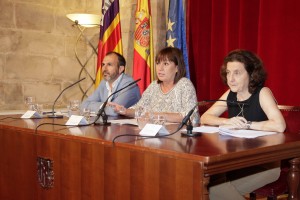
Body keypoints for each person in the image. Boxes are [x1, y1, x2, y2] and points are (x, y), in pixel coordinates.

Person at [200, 49, 286, 200]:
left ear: (251, 74)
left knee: (213, 189)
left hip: (265, 165)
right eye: (228, 73)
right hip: (238, 162)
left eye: (237, 73)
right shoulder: (230, 94)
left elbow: (279, 125)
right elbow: (205, 117)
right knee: (208, 181)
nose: (230, 79)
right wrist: (226, 121)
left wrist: (246, 125)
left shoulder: (262, 93)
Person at [110, 47, 199, 124]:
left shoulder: (184, 85)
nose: (160, 68)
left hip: (176, 137)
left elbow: (192, 117)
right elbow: (140, 110)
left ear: (177, 68)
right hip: (154, 134)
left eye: (166, 64)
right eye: (157, 63)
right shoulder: (154, 86)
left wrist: (161, 115)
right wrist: (125, 111)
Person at [81, 52, 140, 116]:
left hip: (127, 125)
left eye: (109, 64)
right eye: (103, 64)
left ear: (120, 69)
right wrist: (103, 105)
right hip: (108, 124)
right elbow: (84, 105)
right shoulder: (104, 82)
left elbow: (113, 111)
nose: (104, 68)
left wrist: (98, 106)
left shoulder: (129, 85)